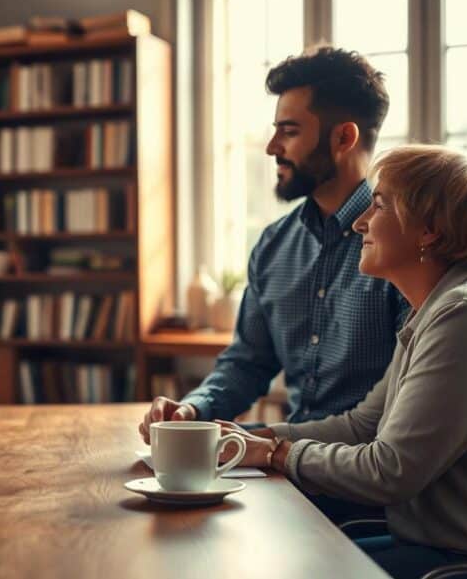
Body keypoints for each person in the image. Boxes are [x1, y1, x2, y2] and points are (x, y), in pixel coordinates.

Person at [226, 145, 467, 578]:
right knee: (278, 551)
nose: (359, 223)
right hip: (439, 543)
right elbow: (363, 425)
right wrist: (253, 437)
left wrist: (276, 454)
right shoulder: (437, 307)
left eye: (378, 205)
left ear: (429, 229)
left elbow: (388, 471)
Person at [140, 46, 408, 441]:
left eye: (289, 131)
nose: (271, 147)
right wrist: (194, 407)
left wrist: (265, 444)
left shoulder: (403, 249)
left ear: (343, 138)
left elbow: (403, 407)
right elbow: (248, 362)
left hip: (363, 479)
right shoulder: (273, 245)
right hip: (289, 467)